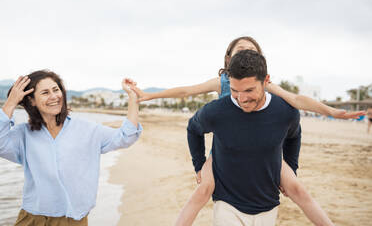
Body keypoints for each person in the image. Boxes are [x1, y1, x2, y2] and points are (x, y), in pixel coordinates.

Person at [131, 36, 363, 225]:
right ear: (229, 59)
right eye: (239, 51)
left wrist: (331, 112)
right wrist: (150, 95)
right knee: (204, 189)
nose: (242, 97)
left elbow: (295, 101)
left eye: (250, 51)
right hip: (226, 141)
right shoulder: (222, 82)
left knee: (296, 188)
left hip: (262, 142)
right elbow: (186, 92)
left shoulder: (265, 84)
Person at [0, 70, 142, 226]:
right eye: (45, 92)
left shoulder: (87, 129)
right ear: (32, 101)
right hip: (32, 218)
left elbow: (126, 136)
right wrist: (11, 103)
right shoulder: (23, 134)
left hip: (72, 220)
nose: (54, 96)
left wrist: (132, 97)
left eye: (56, 90)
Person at [188, 49, 307, 225]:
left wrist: (291, 168)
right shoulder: (217, 110)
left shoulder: (284, 111)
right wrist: (199, 164)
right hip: (226, 198)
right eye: (235, 90)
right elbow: (193, 127)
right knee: (202, 191)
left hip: (267, 202)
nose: (241, 99)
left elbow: (294, 135)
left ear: (265, 80)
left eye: (249, 90)